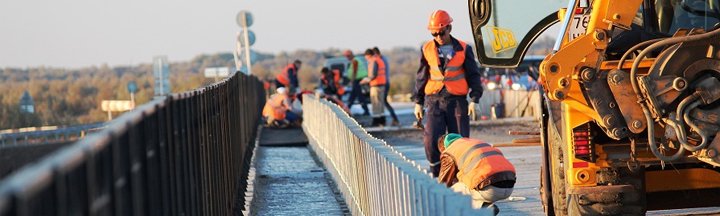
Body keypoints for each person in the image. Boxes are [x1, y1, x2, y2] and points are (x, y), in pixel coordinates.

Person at [414, 10, 484, 177]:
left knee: (460, 141)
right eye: (434, 33)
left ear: (449, 28)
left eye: (441, 32)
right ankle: (437, 173)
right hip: (434, 101)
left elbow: (473, 75)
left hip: (457, 102)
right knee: (431, 140)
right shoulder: (427, 49)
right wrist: (418, 101)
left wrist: (475, 99)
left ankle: (459, 175)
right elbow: (421, 77)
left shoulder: (464, 48)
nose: (438, 36)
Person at [437, 133, 516, 214]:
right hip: (510, 187)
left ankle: (484, 207)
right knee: (469, 183)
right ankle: (485, 206)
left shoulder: (449, 151)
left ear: (443, 148)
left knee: (452, 191)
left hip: (490, 189)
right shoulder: (476, 142)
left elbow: (443, 185)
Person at [373, 47, 400, 126]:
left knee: (383, 102)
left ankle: (393, 119)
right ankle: (388, 119)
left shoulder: (380, 60)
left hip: (383, 83)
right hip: (385, 82)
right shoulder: (383, 59)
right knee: (383, 101)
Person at [360, 49, 387, 126]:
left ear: (368, 55)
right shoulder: (380, 60)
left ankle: (376, 120)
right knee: (381, 103)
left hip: (376, 84)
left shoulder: (374, 61)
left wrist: (366, 80)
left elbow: (373, 74)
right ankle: (382, 119)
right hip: (382, 84)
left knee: (375, 102)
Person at [344, 50, 370, 116]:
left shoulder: (355, 61)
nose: (347, 58)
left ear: (350, 56)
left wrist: (351, 81)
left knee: (360, 96)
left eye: (347, 56)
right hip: (358, 80)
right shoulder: (356, 60)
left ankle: (366, 110)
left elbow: (354, 72)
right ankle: (347, 109)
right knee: (353, 96)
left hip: (358, 80)